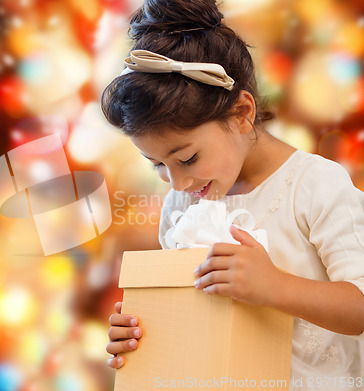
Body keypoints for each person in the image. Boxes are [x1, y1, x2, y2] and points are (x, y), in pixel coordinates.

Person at [101, 0, 364, 389]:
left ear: (242, 113)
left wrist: (277, 287)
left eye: (187, 158)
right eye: (156, 164)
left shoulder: (316, 186)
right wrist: (143, 327)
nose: (176, 183)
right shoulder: (182, 205)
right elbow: (194, 314)